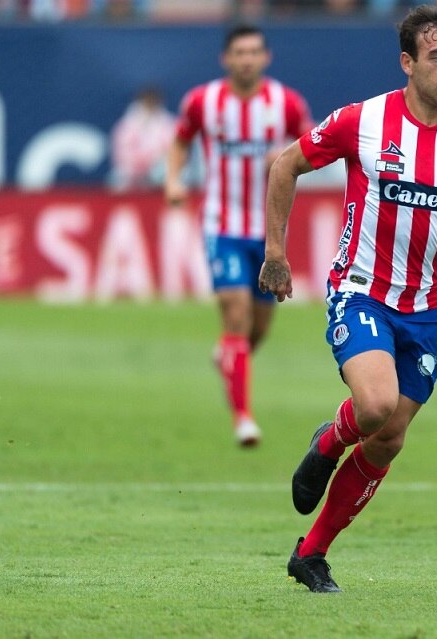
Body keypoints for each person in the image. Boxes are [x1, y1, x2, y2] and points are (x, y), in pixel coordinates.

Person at [259, 4, 437, 593]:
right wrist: (275, 252)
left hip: (429, 307)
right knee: (374, 407)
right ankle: (328, 443)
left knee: (390, 436)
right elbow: (285, 165)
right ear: (407, 63)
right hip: (363, 290)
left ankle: (311, 554)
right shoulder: (364, 121)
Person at [166, 24, 314, 447]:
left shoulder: (286, 103)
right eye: (239, 52)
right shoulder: (203, 101)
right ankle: (244, 418)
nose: (246, 59)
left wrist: (287, 155)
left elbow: (311, 144)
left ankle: (229, 357)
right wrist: (173, 180)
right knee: (236, 315)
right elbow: (180, 142)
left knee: (258, 328)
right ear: (226, 59)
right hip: (222, 224)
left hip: (269, 232)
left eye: (253, 52)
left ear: (265, 57)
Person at [110, 86, 176, 191]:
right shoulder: (127, 123)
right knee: (116, 179)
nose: (150, 105)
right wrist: (138, 166)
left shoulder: (168, 123)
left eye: (153, 102)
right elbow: (122, 151)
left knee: (166, 173)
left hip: (158, 170)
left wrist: (153, 164)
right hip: (131, 171)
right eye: (147, 102)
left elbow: (173, 150)